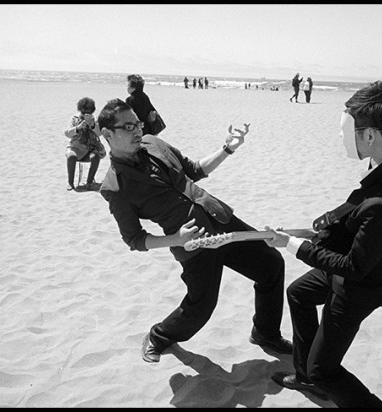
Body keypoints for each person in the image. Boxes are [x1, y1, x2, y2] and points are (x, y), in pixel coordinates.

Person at [265, 81, 382, 408]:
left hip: (360, 283)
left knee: (325, 370)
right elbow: (366, 213)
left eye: (346, 130)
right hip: (365, 257)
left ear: (370, 136)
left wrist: (292, 245)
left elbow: (354, 267)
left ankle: (321, 379)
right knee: (298, 294)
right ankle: (305, 376)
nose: (341, 137)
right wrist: (318, 232)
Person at [97, 99, 292, 363]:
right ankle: (158, 336)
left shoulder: (154, 143)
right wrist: (175, 240)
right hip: (195, 245)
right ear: (108, 134)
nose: (137, 130)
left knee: (271, 264)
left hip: (220, 219)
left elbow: (194, 170)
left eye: (138, 124)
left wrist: (228, 149)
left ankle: (265, 333)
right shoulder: (115, 187)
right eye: (129, 126)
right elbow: (135, 239)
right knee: (200, 308)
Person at [64, 97, 106, 191]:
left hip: (89, 148)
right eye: (84, 113)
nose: (86, 115)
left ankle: (89, 182)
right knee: (71, 157)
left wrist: (92, 125)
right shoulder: (74, 118)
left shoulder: (94, 120)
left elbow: (99, 133)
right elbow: (67, 133)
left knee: (95, 157)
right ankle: (70, 183)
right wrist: (78, 128)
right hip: (75, 147)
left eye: (89, 113)